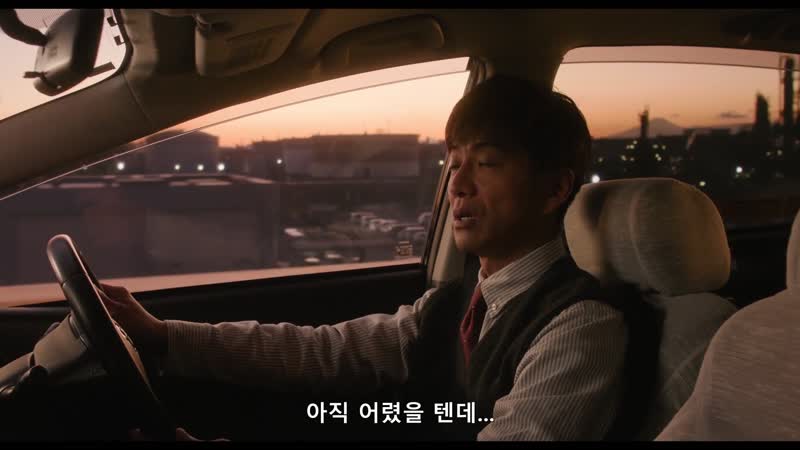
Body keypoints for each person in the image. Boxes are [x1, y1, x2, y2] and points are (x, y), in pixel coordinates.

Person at [101, 74, 628, 441]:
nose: (457, 184)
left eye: (486, 163)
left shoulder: (579, 329)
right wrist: (165, 337)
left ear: (555, 189)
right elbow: (324, 351)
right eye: (453, 162)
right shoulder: (458, 302)